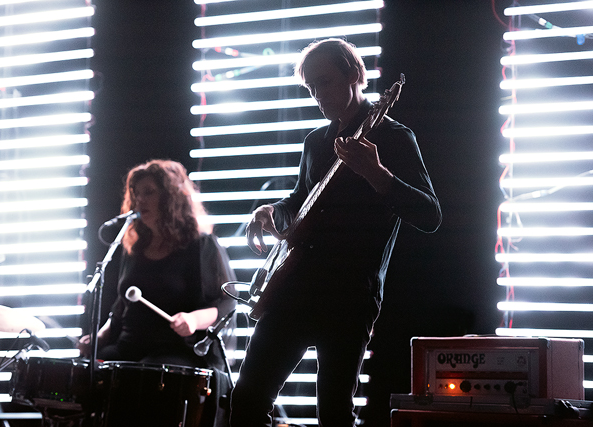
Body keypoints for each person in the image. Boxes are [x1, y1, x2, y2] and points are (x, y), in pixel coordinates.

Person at [229, 38, 442, 427]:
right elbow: (300, 199)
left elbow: (430, 214)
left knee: (333, 412)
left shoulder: (393, 137)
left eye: (324, 82)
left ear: (354, 74)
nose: (318, 95)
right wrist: (271, 211)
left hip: (349, 296)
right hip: (294, 287)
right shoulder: (315, 141)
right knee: (246, 400)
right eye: (311, 87)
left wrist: (377, 174)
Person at [79, 159, 235, 367]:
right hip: (129, 346)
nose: (139, 200)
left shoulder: (201, 245)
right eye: (136, 193)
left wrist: (193, 320)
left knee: (145, 373)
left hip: (176, 350)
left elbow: (226, 303)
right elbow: (121, 307)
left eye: (149, 192)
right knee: (90, 370)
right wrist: (99, 336)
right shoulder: (135, 248)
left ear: (170, 198)